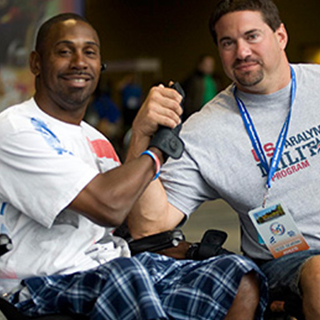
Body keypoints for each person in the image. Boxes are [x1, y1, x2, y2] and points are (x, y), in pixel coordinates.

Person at [0, 13, 268, 320]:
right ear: (36, 63)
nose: (79, 62)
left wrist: (141, 136)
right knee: (129, 278)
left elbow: (131, 222)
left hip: (110, 267)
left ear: (99, 65)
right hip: (42, 283)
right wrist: (158, 150)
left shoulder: (94, 139)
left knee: (237, 276)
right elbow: (108, 206)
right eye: (64, 51)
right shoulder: (16, 128)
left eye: (89, 52)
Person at [127, 1, 320, 319]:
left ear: (280, 35)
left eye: (252, 36)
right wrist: (140, 137)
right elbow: (148, 226)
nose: (242, 52)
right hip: (291, 261)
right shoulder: (205, 131)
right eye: (228, 43)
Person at [181, 54, 221, 121]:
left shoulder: (216, 80)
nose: (209, 67)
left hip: (212, 112)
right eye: (206, 64)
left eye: (211, 65)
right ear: (200, 65)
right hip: (197, 112)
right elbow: (188, 99)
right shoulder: (193, 80)